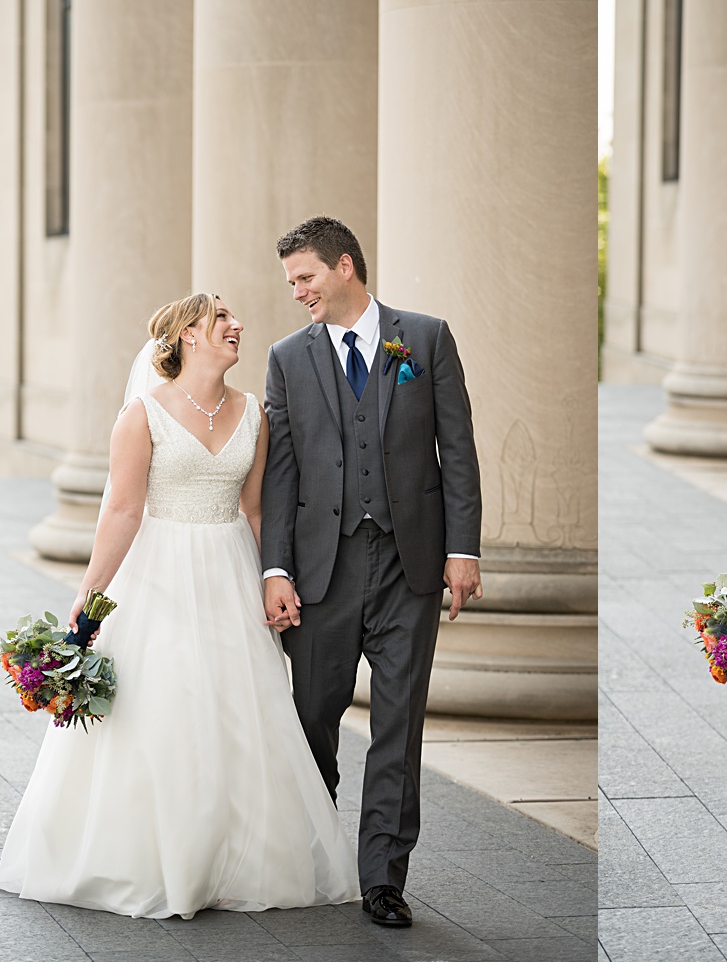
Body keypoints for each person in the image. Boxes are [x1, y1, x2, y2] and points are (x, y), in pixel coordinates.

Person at [0, 293, 357, 919]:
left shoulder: (254, 413)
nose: (236, 324)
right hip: (158, 572)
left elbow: (255, 509)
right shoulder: (142, 414)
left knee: (237, 712)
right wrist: (89, 602)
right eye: (222, 318)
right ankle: (156, 859)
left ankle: (234, 860)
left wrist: (277, 575)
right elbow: (123, 511)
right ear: (189, 333)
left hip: (229, 573)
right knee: (164, 709)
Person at [260, 217, 482, 929]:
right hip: (322, 568)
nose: (297, 292)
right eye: (292, 281)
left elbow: (459, 450)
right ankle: (317, 852)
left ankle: (383, 877)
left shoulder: (424, 337)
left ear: (345, 265)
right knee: (312, 717)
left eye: (306, 278)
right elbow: (282, 471)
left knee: (398, 724)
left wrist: (463, 550)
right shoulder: (286, 358)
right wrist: (276, 568)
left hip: (410, 564)